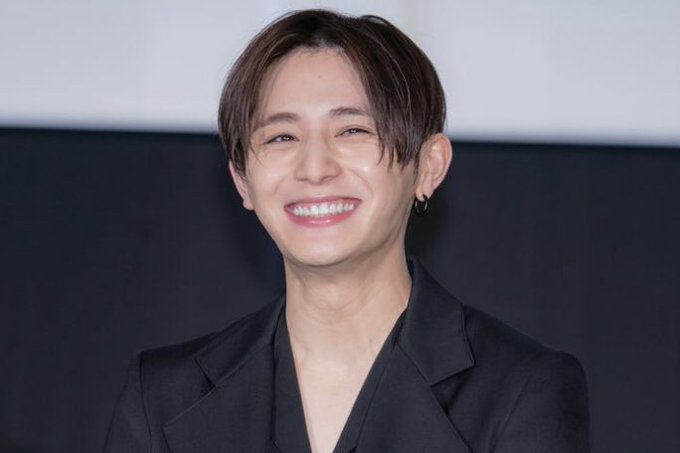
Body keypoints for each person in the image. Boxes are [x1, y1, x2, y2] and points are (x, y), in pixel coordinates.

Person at [104, 9, 589, 453]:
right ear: (242, 180)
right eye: (282, 137)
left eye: (353, 131)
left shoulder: (519, 389)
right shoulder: (163, 396)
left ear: (428, 165)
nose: (314, 168)